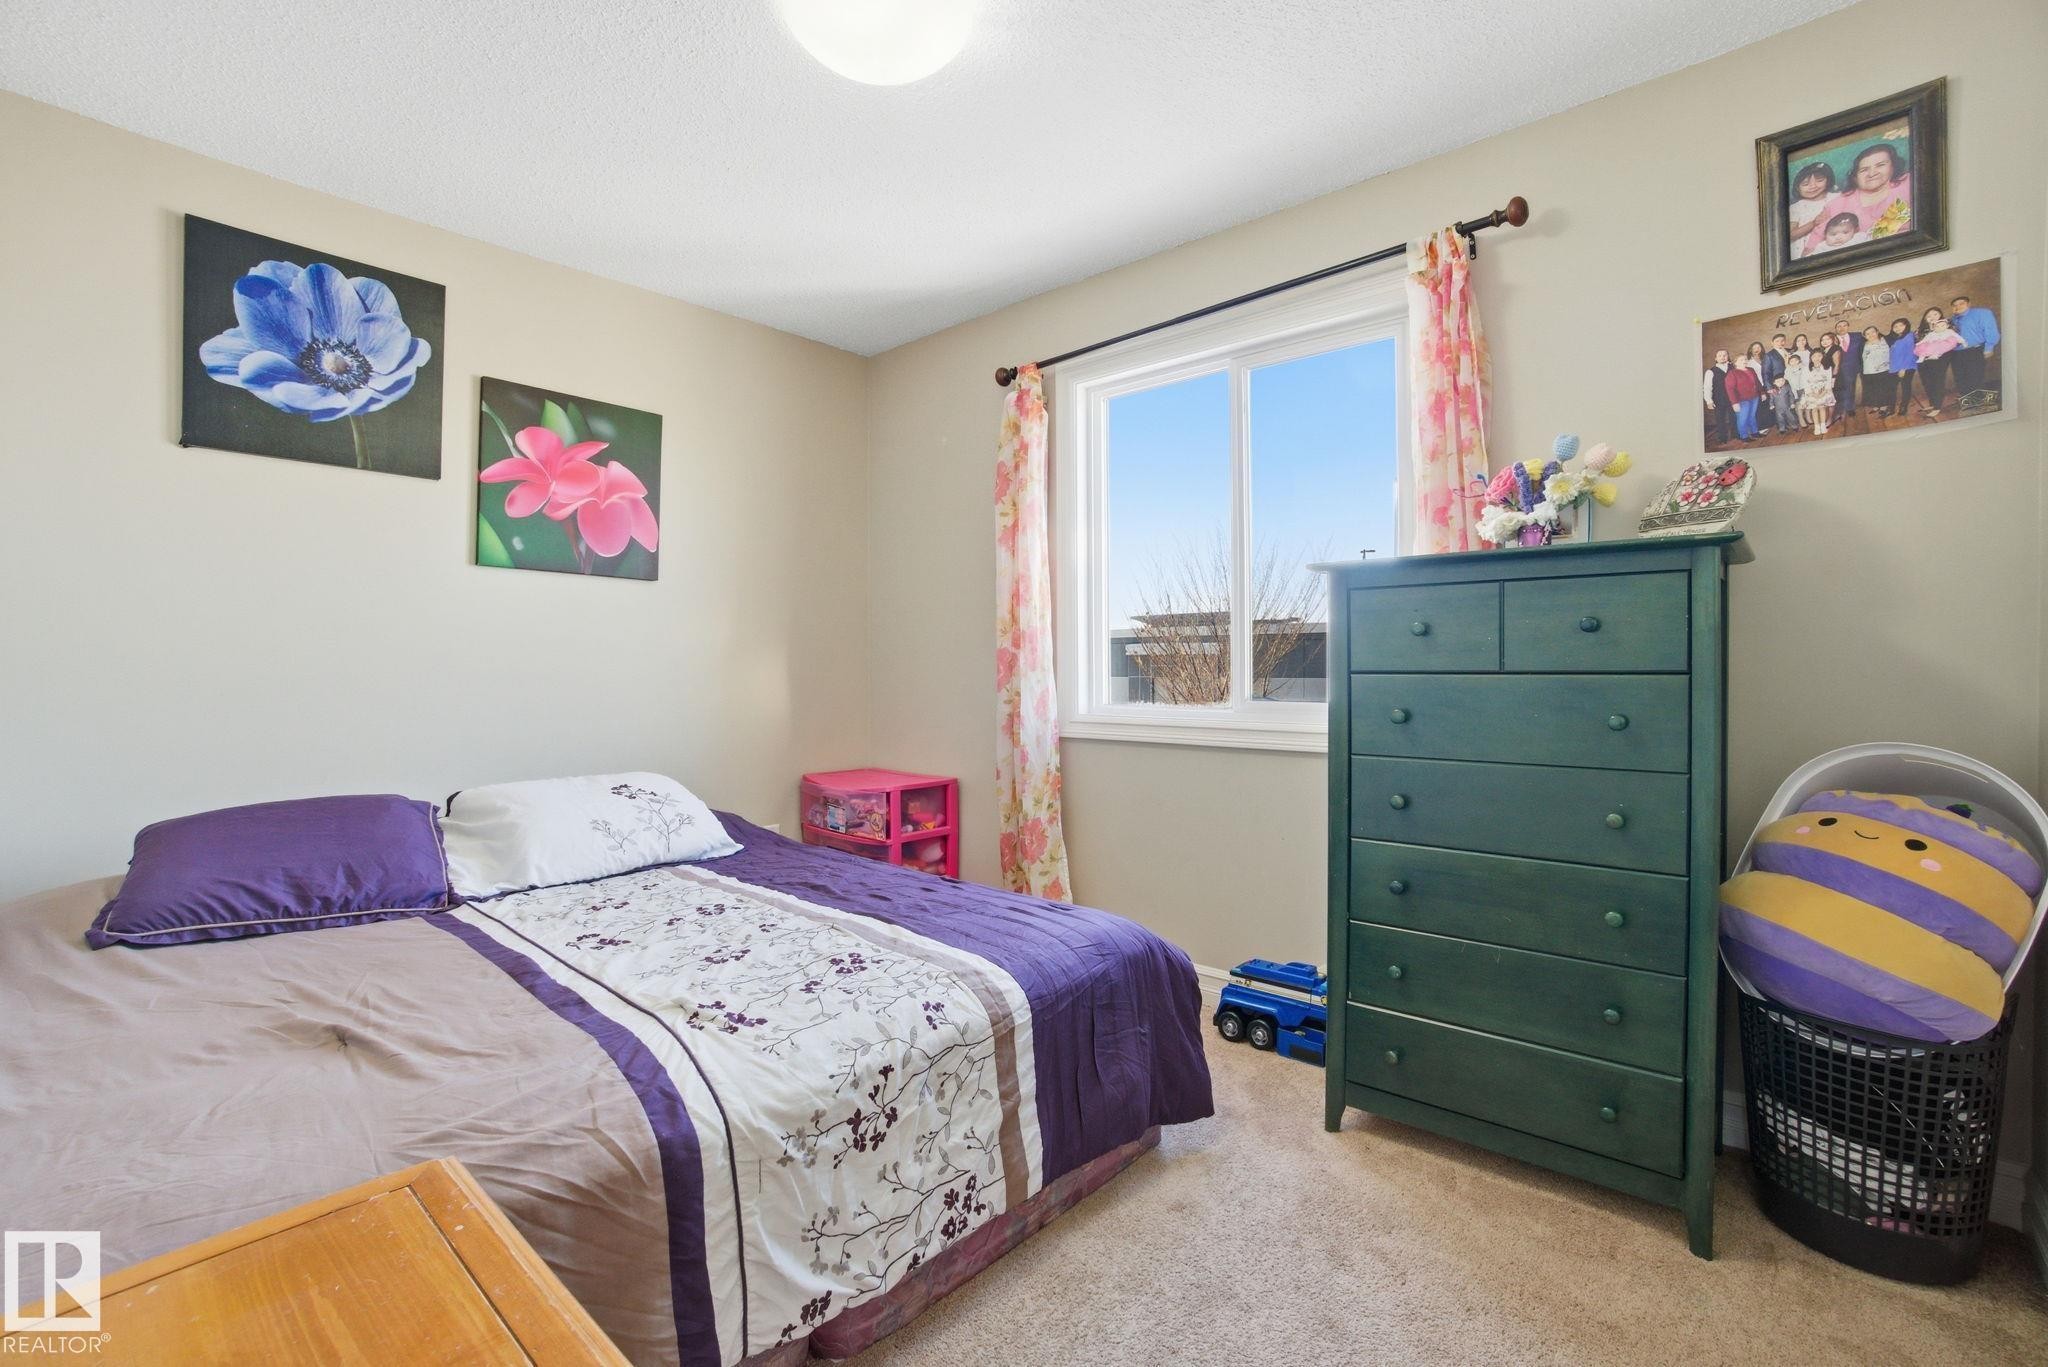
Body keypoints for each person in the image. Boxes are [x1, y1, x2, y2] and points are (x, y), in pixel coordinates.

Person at [1806, 142, 1911, 254]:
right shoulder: (1837, 204)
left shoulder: (1909, 182)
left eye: (1880, 165)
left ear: (1893, 166)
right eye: (1864, 170)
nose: (1872, 173)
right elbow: (1810, 249)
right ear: (1855, 177)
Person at [1947, 294, 2001, 400]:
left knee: (1975, 378)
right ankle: (1967, 401)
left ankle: (1978, 403)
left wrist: (1989, 347)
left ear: (1969, 304)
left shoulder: (1982, 313)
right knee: (1960, 379)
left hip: (1974, 351)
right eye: (1954, 305)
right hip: (1956, 354)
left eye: (1961, 303)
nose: (1957, 306)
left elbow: (1991, 330)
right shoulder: (1952, 320)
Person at [1914, 308, 1963, 414]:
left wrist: (1937, 332)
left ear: (1940, 315)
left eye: (1935, 314)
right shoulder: (1920, 329)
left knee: (1937, 380)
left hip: (1940, 356)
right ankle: (1932, 404)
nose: (1932, 317)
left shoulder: (1947, 325)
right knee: (1926, 381)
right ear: (1925, 318)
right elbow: (1918, 342)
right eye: (1929, 315)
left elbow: (1955, 340)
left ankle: (1937, 407)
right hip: (1924, 358)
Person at [1787, 163, 1834, 258]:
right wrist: (1813, 223)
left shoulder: (1835, 198)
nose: (1813, 186)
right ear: (1797, 188)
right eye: (1805, 184)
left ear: (1828, 181)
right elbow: (1790, 235)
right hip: (1804, 253)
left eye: (1819, 180)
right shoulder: (1796, 207)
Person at [1725, 348, 1763, 441]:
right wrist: (1734, 403)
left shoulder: (1751, 369)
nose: (1744, 361)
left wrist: (1762, 393)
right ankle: (1744, 436)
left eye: (1745, 359)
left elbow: (1757, 382)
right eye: (1741, 360)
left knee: (1752, 416)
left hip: (1754, 397)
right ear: (1735, 363)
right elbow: (1730, 389)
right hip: (1741, 400)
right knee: (1743, 418)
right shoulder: (1732, 373)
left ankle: (1755, 432)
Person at [1702, 348, 1735, 446]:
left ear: (1728, 357)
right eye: (1720, 355)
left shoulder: (1733, 368)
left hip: (1732, 399)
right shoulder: (1711, 371)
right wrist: (1709, 401)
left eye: (1725, 355)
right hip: (1719, 399)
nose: (1722, 357)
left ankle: (1735, 435)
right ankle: (1722, 438)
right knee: (1720, 419)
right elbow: (1707, 387)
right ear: (1716, 358)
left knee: (1734, 417)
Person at [1886, 317, 1919, 417]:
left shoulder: (1909, 335)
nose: (1898, 328)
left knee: (1905, 387)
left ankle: (1903, 407)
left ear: (1906, 326)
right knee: (1891, 388)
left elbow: (1910, 352)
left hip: (1907, 366)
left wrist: (1903, 368)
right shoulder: (1893, 338)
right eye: (1895, 326)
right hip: (1893, 366)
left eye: (1901, 325)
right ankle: (1891, 408)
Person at [1764, 334, 1795, 433]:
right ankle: (1782, 426)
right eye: (1777, 341)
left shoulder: (1789, 351)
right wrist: (1769, 387)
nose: (1780, 343)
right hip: (1776, 384)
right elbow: (1766, 372)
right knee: (1779, 407)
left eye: (1782, 341)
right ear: (1772, 343)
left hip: (1790, 381)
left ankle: (1793, 424)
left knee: (1790, 403)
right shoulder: (1769, 355)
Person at [1859, 325, 1893, 415]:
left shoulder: (1885, 341)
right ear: (1865, 336)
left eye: (1873, 332)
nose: (1871, 335)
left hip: (1883, 370)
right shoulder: (1864, 344)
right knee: (1872, 390)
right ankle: (1876, 406)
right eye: (1867, 334)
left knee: (1882, 388)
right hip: (1868, 371)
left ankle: (1883, 406)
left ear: (1877, 332)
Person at [1801, 352, 1836, 435]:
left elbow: (1828, 382)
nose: (1817, 358)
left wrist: (1823, 393)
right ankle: (1817, 426)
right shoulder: (1806, 369)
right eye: (1814, 356)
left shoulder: (1827, 368)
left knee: (1822, 407)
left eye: (1819, 356)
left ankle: (1823, 425)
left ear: (1823, 357)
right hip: (1811, 392)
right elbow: (1805, 383)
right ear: (1811, 358)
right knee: (1814, 408)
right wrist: (1812, 393)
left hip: (1824, 391)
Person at [1831, 327, 1862, 418]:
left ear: (1848, 326)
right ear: (1836, 328)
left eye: (1844, 325)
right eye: (1839, 326)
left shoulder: (1857, 336)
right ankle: (1839, 410)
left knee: (1850, 388)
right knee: (1838, 390)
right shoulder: (1832, 338)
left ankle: (1850, 408)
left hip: (1851, 368)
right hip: (1837, 369)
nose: (1842, 328)